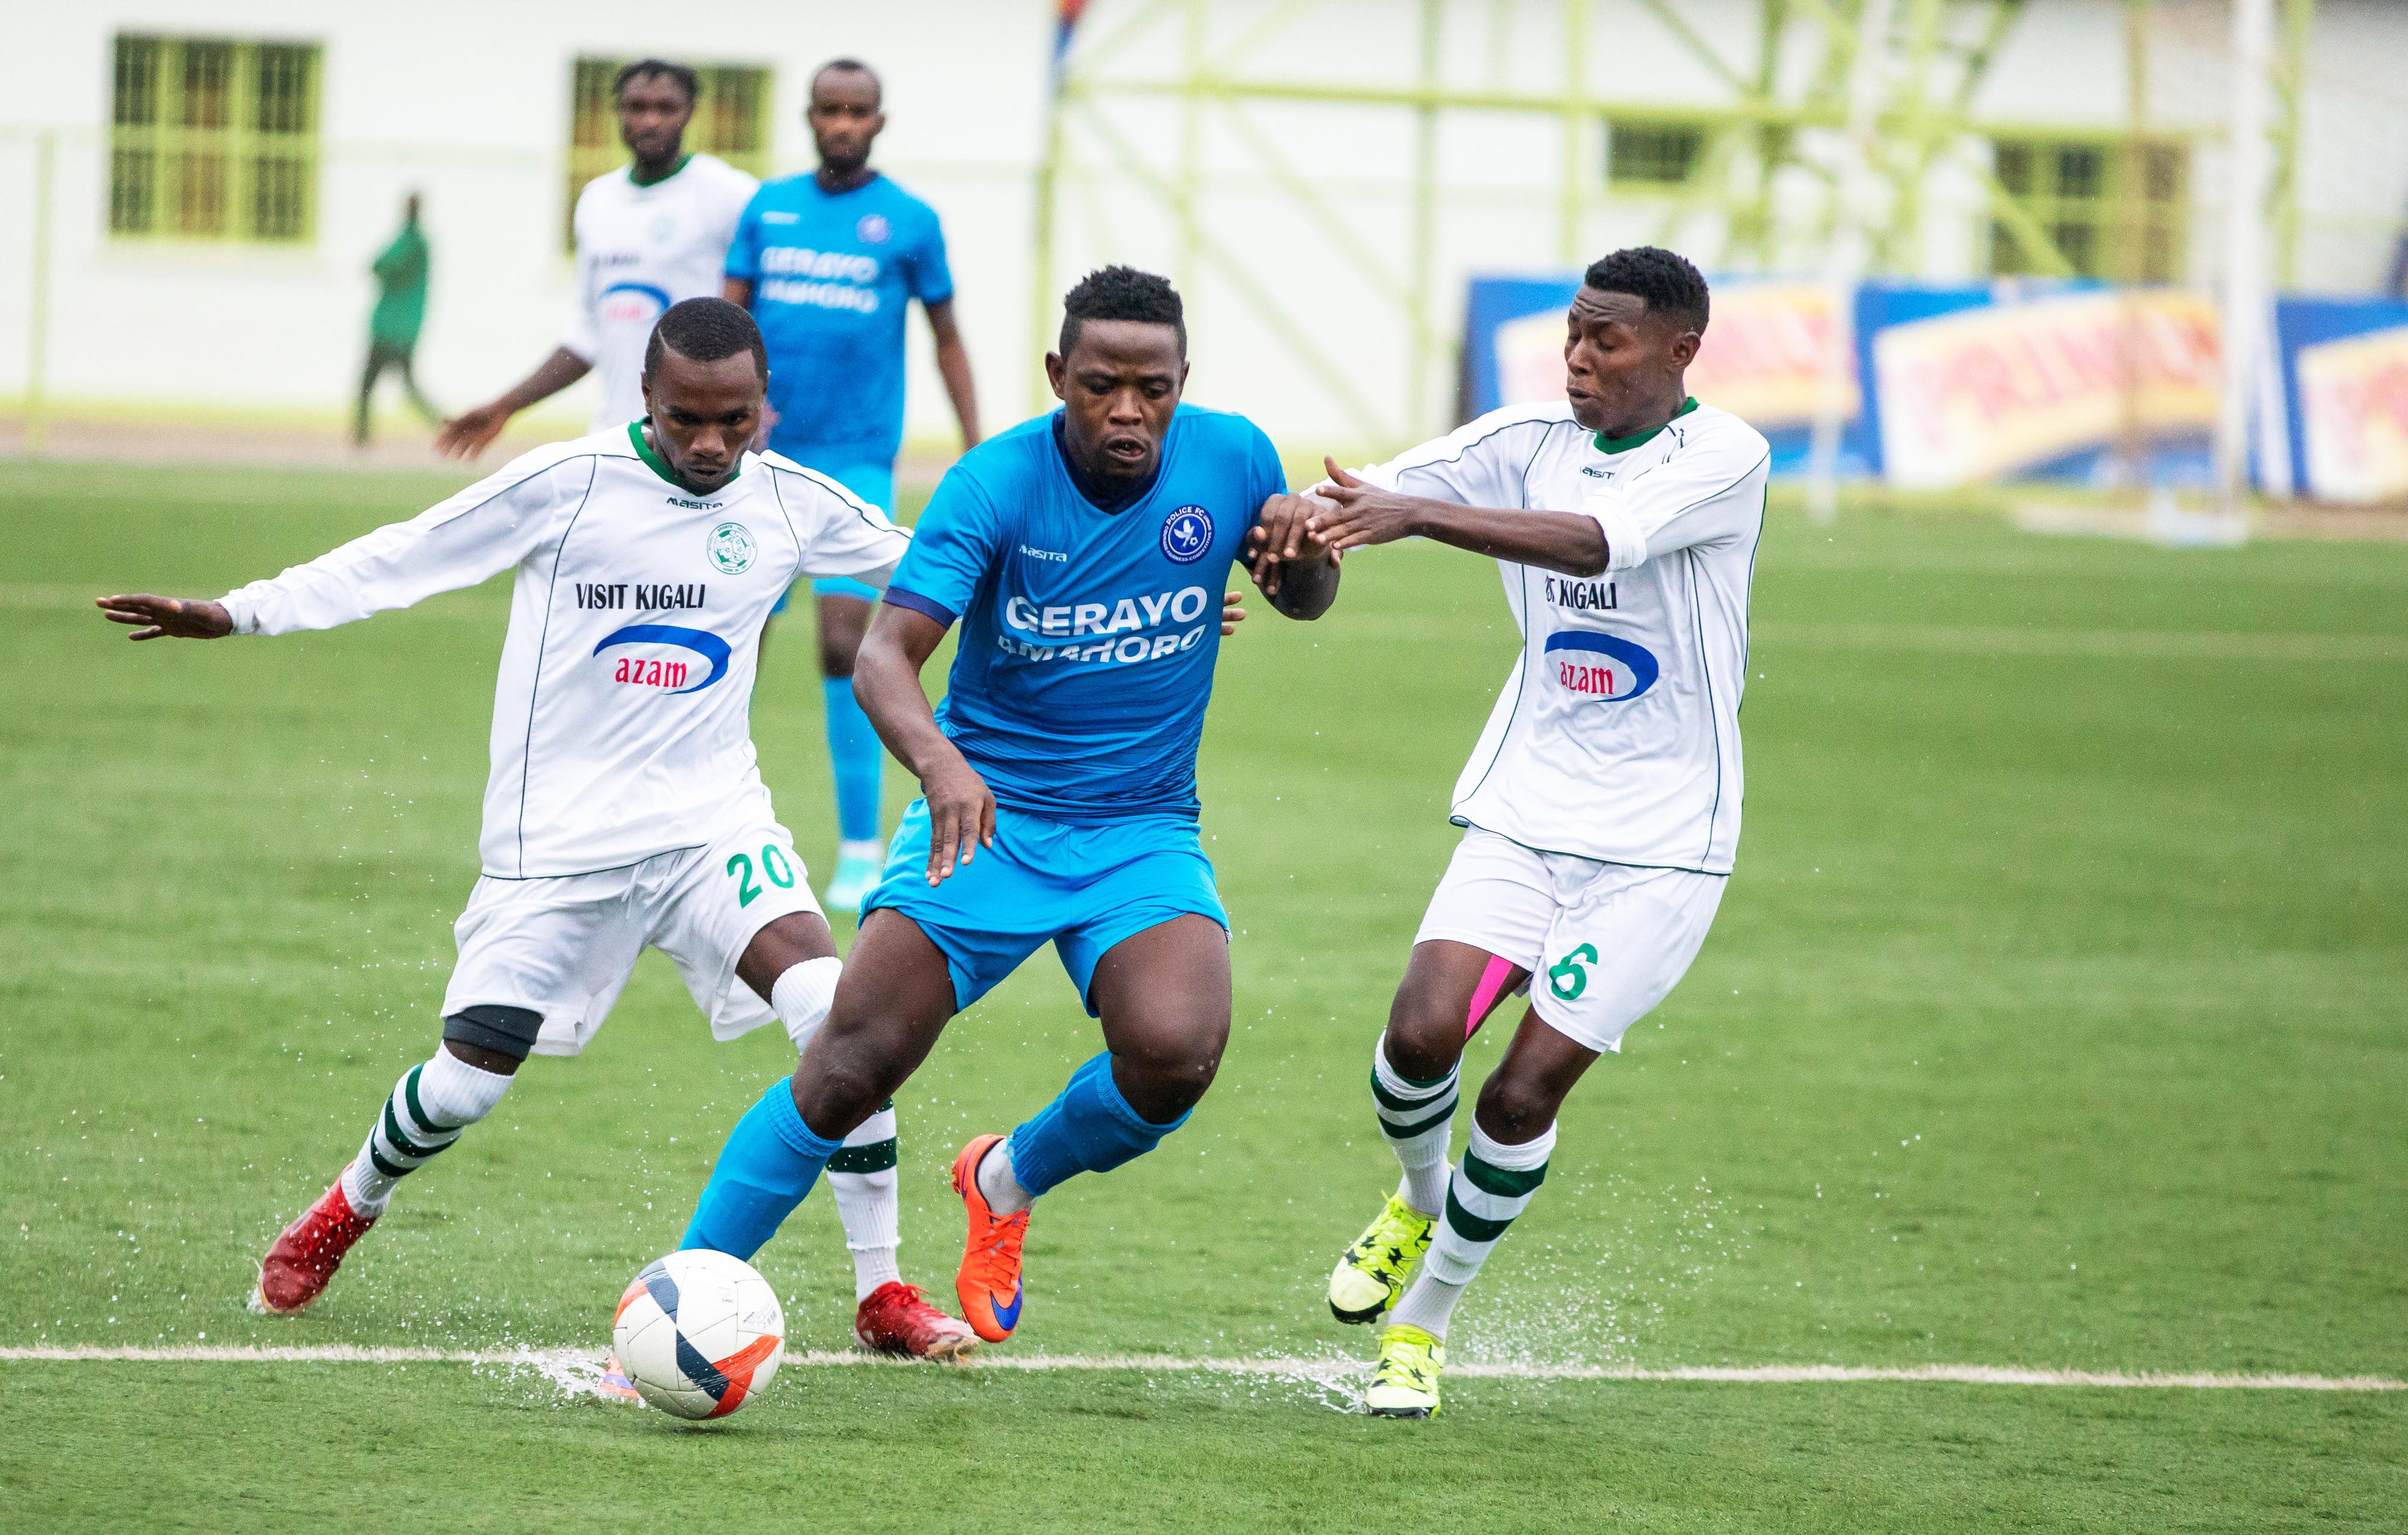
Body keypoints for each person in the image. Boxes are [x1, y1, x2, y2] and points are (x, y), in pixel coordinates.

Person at [96, 300, 979, 1361]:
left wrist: (1135, 583)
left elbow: (945, 565)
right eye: (684, 419)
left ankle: (880, 1293)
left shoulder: (788, 502)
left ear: (762, 410)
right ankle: (349, 1203)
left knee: (841, 1015)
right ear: (644, 402)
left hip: (710, 827)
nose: (709, 444)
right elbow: (401, 555)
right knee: (468, 1079)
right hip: (556, 843)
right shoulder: (566, 485)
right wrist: (241, 611)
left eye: (733, 421)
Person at [671, 267, 1339, 1348]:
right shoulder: (992, 485)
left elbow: (1297, 597)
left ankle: (1004, 1176)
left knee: (1176, 1051)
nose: (1128, 411)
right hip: (986, 817)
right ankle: (681, 1295)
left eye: (1153, 389)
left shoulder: (1235, 456)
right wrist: (941, 766)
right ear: (1055, 376)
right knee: (849, 1063)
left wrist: (1306, 565)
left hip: (1141, 826)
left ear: (1182, 382)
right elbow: (884, 656)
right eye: (1100, 385)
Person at [1302, 247, 1769, 1417]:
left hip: (1664, 845)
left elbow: (1596, 542)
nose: (1579, 356)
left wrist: (1419, 517)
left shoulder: (1724, 457)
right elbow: (1357, 495)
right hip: (1526, 812)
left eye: (1608, 339)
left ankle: (1423, 1325)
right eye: (1573, 332)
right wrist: (1284, 529)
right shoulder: (1522, 434)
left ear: (1678, 351)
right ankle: (1418, 1196)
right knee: (1419, 1038)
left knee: (1519, 1095)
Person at [724, 57, 980, 913]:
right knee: (737, 627)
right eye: (829, 110)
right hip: (761, 459)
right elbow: (723, 320)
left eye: (857, 111)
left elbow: (947, 336)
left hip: (858, 459)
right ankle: (707, 814)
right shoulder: (768, 209)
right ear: (808, 116)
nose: (842, 123)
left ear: (878, 121)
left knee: (846, 639)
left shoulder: (909, 222)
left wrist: (974, 443)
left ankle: (861, 847)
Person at [436, 60, 756, 460]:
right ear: (619, 112)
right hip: (612, 440)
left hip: (695, 447)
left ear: (689, 112)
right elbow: (587, 335)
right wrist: (506, 405)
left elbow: (759, 317)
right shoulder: (596, 201)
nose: (650, 120)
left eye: (665, 108)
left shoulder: (730, 194)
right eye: (636, 107)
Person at [355, 192, 439, 447]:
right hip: (396, 326)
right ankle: (362, 436)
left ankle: (443, 426)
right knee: (393, 384)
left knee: (381, 383)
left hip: (394, 327)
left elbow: (381, 265)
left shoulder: (412, 242)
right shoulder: (414, 241)